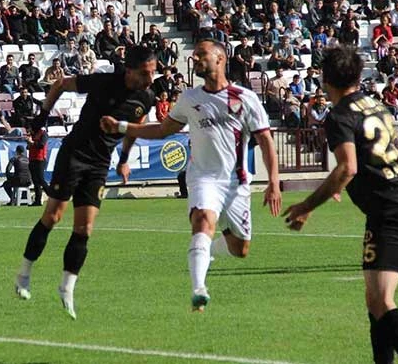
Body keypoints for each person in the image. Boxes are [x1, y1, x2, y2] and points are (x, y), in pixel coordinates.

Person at [100, 39, 281, 312]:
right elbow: (162, 130)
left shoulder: (245, 98)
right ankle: (199, 289)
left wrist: (274, 182)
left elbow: (265, 141)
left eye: (201, 55)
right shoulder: (189, 98)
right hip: (203, 178)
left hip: (236, 183)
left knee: (240, 249)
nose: (195, 59)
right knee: (202, 221)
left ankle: (207, 251)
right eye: (194, 55)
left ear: (220, 58)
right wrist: (122, 127)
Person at [283, 46, 398, 363]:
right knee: (375, 299)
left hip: (389, 212)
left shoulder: (340, 115)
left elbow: (347, 167)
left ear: (325, 80)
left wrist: (307, 205)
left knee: (381, 300)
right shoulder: (377, 106)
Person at [14, 45, 157, 319]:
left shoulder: (146, 97)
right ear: (129, 70)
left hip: (100, 164)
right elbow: (60, 84)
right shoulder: (103, 81)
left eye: (153, 72)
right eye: (145, 73)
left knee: (85, 227)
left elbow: (135, 128)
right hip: (74, 154)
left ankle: (67, 287)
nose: (150, 78)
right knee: (53, 216)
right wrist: (42, 115)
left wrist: (124, 159)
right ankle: (24, 273)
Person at [26, 125, 49, 206]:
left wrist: (32, 142)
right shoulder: (33, 134)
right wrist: (28, 142)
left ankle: (53, 196)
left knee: (41, 179)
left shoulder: (43, 134)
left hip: (40, 159)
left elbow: (41, 145)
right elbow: (28, 147)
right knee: (35, 181)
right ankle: (37, 200)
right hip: (32, 158)